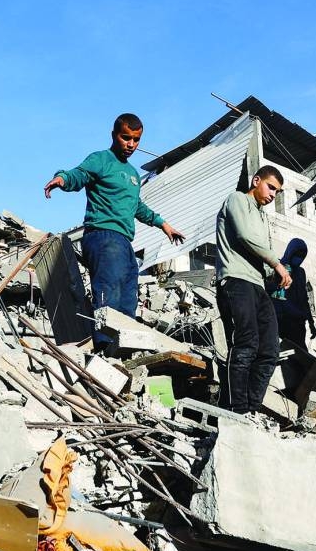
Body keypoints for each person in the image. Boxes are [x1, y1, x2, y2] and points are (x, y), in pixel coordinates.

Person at [44, 114, 185, 352]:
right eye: (126, 138)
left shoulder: (132, 174)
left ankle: (122, 347)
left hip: (124, 241)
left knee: (129, 295)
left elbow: (136, 206)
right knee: (109, 291)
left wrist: (163, 225)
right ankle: (104, 348)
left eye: (136, 140)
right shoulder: (101, 159)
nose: (131, 144)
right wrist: (63, 179)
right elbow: (79, 174)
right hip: (102, 236)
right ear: (114, 135)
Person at [215, 165, 292, 416]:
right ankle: (235, 409)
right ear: (256, 180)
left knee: (269, 350)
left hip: (257, 286)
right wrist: (277, 265)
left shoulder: (262, 216)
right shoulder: (237, 199)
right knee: (245, 344)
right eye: (271, 187)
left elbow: (262, 250)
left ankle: (251, 409)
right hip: (235, 281)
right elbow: (245, 236)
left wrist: (279, 274)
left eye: (277, 192)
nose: (273, 195)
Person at [272, 238, 316, 350]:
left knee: (300, 355)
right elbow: (277, 296)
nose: (299, 259)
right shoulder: (280, 269)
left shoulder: (301, 273)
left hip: (299, 322)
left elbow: (304, 299)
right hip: (284, 321)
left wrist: (311, 322)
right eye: (297, 254)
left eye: (302, 256)